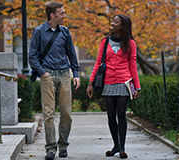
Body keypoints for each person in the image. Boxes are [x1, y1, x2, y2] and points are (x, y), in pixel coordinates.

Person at [28, 1, 80, 160]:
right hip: (47, 75)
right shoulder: (38, 32)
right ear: (52, 15)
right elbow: (32, 57)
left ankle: (63, 145)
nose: (64, 15)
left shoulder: (65, 32)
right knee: (48, 114)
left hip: (64, 74)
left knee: (66, 113)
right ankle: (50, 149)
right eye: (62, 13)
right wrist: (43, 73)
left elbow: (72, 54)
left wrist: (76, 74)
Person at [86, 14, 141, 159]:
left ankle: (122, 147)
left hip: (124, 82)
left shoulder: (130, 43)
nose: (112, 23)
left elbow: (133, 66)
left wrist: (137, 86)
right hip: (108, 82)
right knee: (111, 116)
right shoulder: (105, 42)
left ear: (122, 26)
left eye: (116, 22)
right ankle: (115, 144)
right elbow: (98, 63)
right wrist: (90, 82)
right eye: (112, 21)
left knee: (121, 114)